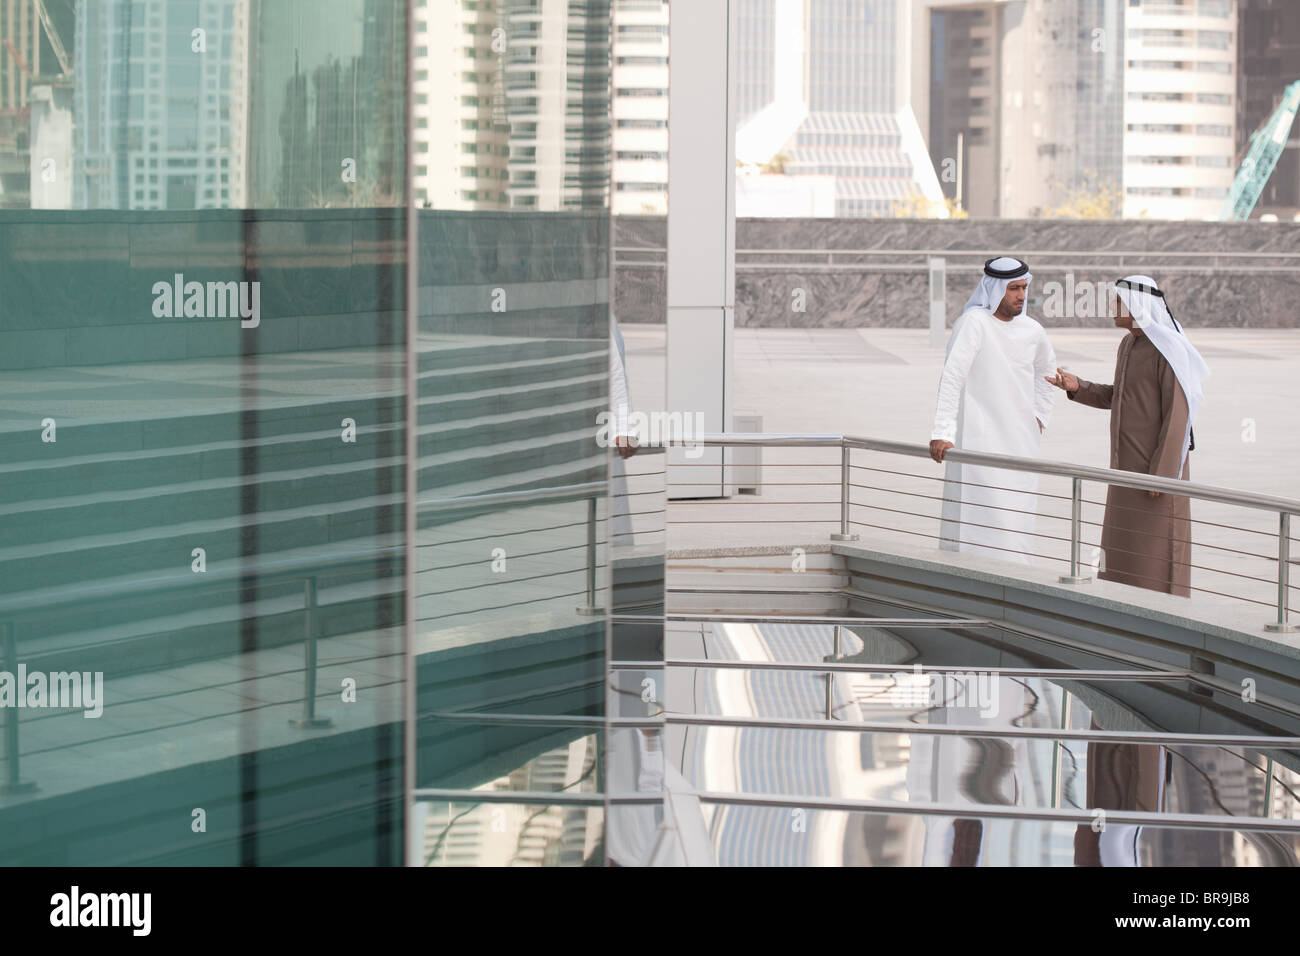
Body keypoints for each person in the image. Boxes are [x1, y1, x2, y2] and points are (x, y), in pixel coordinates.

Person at [1045, 275, 1209, 597]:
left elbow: (1179, 417)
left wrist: (1160, 478)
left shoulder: (1168, 351)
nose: (1112, 307)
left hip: (1155, 475)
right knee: (1124, 548)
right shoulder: (1129, 344)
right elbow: (1119, 396)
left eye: (1118, 301)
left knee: (1156, 552)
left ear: (1137, 306)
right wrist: (1078, 387)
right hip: (1124, 469)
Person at [929, 256, 1058, 564]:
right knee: (978, 518)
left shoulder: (1033, 330)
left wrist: (1040, 416)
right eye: (1013, 288)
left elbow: (1047, 372)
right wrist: (942, 432)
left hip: (1021, 443)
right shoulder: (973, 324)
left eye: (1024, 288)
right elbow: (952, 378)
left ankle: (1013, 586)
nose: (1021, 296)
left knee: (1016, 519)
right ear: (994, 288)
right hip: (979, 439)